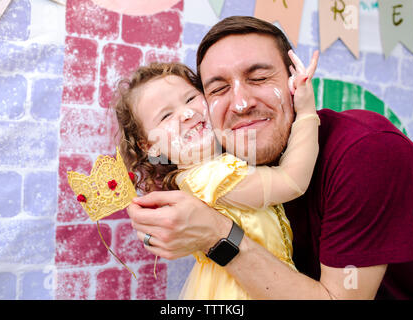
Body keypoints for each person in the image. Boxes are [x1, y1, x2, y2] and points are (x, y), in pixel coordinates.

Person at [128, 16, 413, 299]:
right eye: (218, 89)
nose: (241, 104)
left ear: (294, 81)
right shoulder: (221, 159)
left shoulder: (366, 151)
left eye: (259, 78)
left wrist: (216, 235)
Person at [113, 55, 320, 299]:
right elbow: (292, 182)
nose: (187, 113)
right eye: (166, 116)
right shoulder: (212, 178)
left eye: (190, 98)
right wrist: (306, 111)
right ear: (150, 146)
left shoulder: (202, 173)